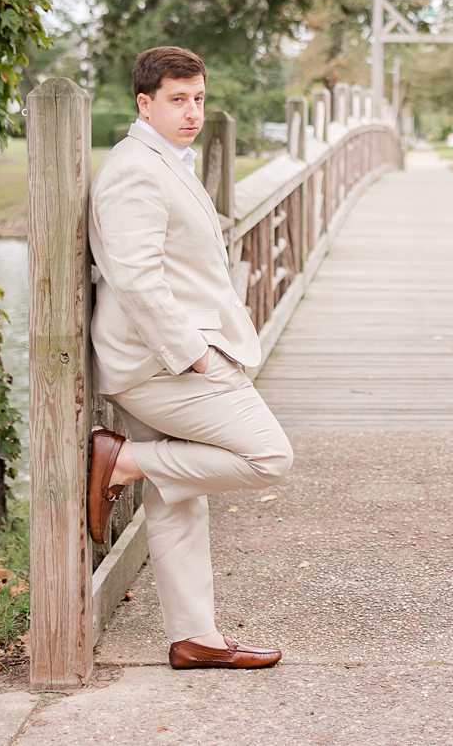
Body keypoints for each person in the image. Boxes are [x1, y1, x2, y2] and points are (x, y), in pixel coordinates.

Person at [87, 45, 293, 670]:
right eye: (178, 100)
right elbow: (137, 278)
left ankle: (193, 637)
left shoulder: (165, 161)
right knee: (268, 457)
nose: (193, 112)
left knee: (178, 497)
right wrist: (196, 357)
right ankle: (119, 460)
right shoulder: (134, 169)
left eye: (199, 98)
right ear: (144, 103)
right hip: (159, 363)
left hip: (164, 357)